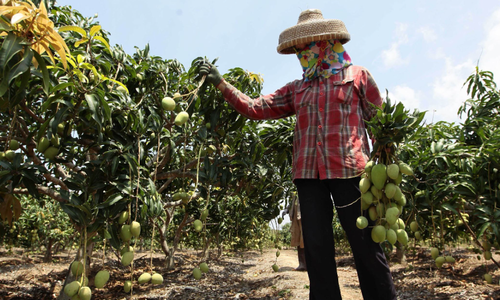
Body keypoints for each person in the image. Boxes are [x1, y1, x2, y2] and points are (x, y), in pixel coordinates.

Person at [199, 8, 397, 300]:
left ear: (326, 44)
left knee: (365, 244)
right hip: (308, 175)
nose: (302, 53)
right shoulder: (298, 88)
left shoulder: (358, 76)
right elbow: (257, 107)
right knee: (316, 249)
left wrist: (387, 164)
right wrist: (222, 84)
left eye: (306, 47)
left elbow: (379, 121)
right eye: (298, 50)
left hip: (350, 172)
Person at [283, 192, 307, 271]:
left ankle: (310, 264)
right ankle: (302, 264)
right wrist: (286, 210)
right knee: (298, 241)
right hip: (295, 217)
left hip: (304, 215)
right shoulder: (293, 190)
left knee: (306, 239)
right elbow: (291, 201)